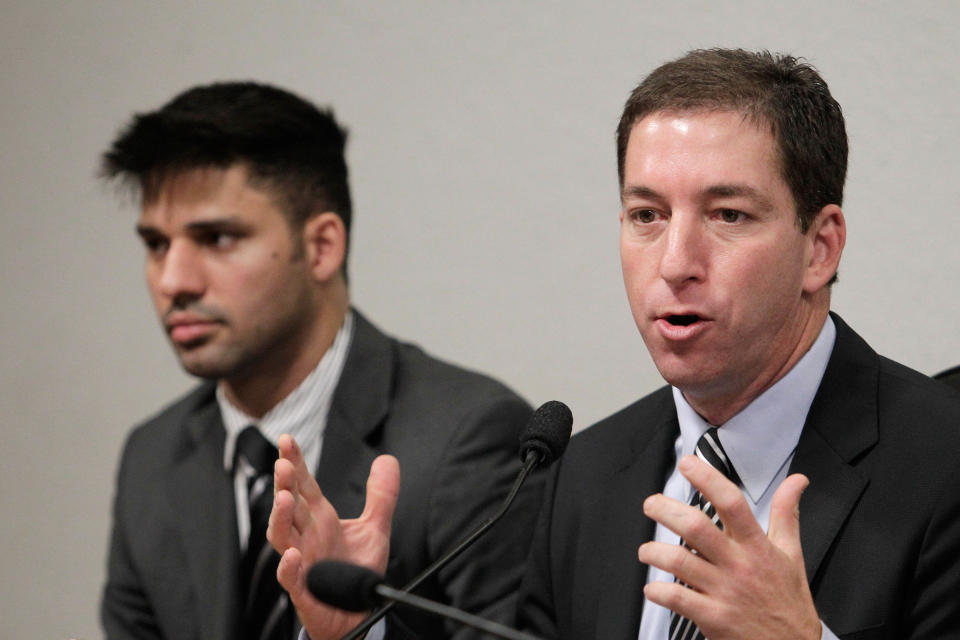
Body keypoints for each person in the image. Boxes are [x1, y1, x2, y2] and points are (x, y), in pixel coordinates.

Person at [275, 49, 960, 640]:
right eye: (646, 216)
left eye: (728, 215)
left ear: (820, 248)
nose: (674, 262)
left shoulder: (941, 462)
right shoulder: (584, 474)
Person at [99, 81, 542, 640]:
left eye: (215, 238)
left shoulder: (471, 441)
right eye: (156, 245)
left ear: (322, 247)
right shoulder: (154, 459)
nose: (172, 281)